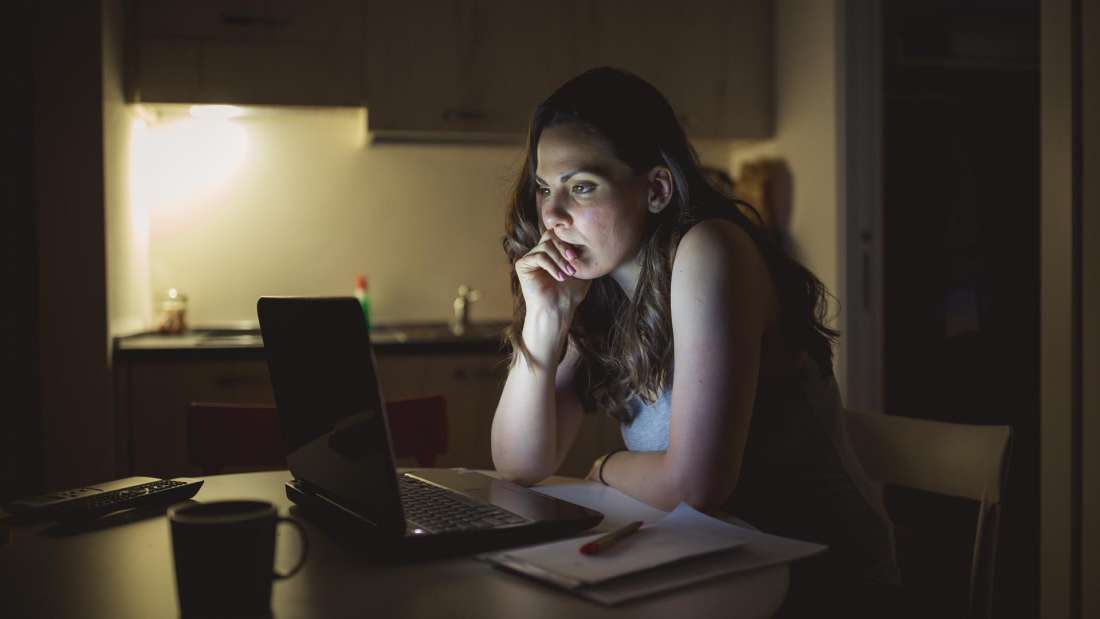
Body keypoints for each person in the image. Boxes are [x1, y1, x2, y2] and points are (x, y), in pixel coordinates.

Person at [490, 67, 899, 615]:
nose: (553, 217)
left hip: (822, 583)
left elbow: (697, 485)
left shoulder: (710, 251)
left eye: (581, 186)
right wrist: (545, 320)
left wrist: (605, 466)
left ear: (656, 189)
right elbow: (520, 463)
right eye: (544, 188)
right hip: (708, 561)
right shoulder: (597, 285)